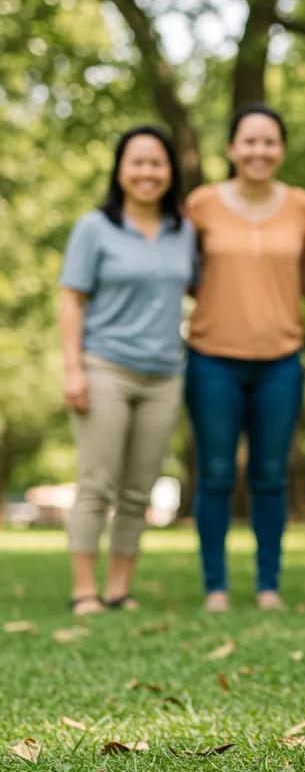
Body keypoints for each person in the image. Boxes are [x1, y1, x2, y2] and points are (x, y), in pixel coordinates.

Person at [185, 105, 305, 612]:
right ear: (231, 149)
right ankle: (215, 587)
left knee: (269, 475)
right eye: (249, 142)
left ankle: (268, 586)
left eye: (269, 142)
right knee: (215, 474)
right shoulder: (200, 205)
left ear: (280, 150)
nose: (259, 151)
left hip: (281, 360)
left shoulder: (302, 207)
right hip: (211, 359)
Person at [59, 126, 195, 616]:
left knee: (138, 490)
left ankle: (119, 588)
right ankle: (84, 591)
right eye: (137, 162)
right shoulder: (94, 228)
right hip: (105, 367)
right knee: (96, 483)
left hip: (163, 375)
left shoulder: (184, 229)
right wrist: (73, 369)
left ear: (169, 172)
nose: (147, 172)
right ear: (120, 169)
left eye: (157, 163)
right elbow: (71, 300)